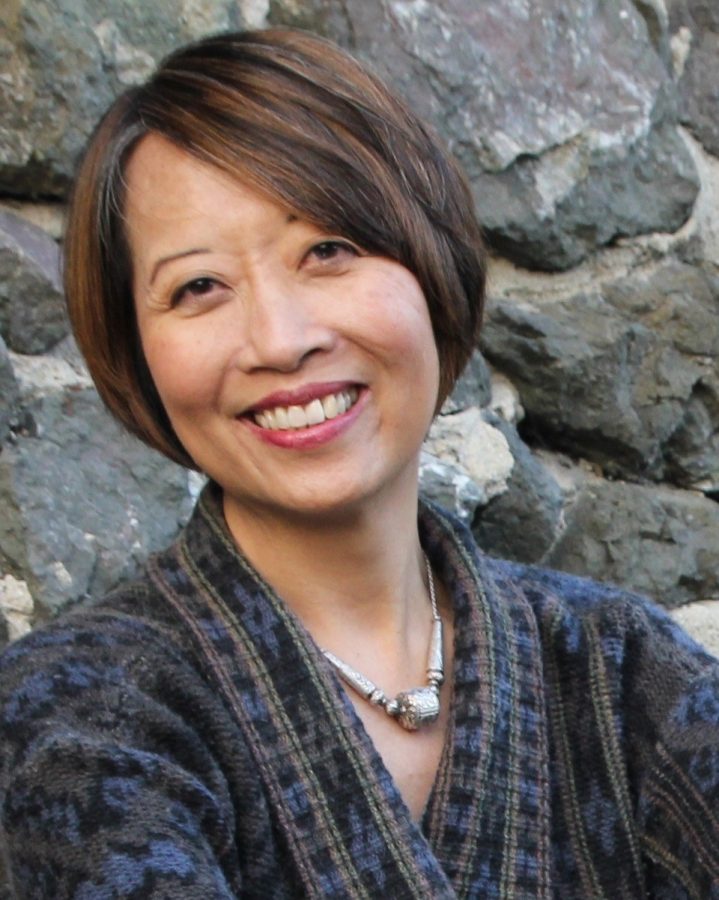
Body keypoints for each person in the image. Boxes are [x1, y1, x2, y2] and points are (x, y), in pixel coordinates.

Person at [1, 28, 718, 899]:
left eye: (328, 251)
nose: (280, 340)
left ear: (429, 264)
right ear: (135, 352)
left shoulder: (620, 668)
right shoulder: (79, 714)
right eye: (198, 287)